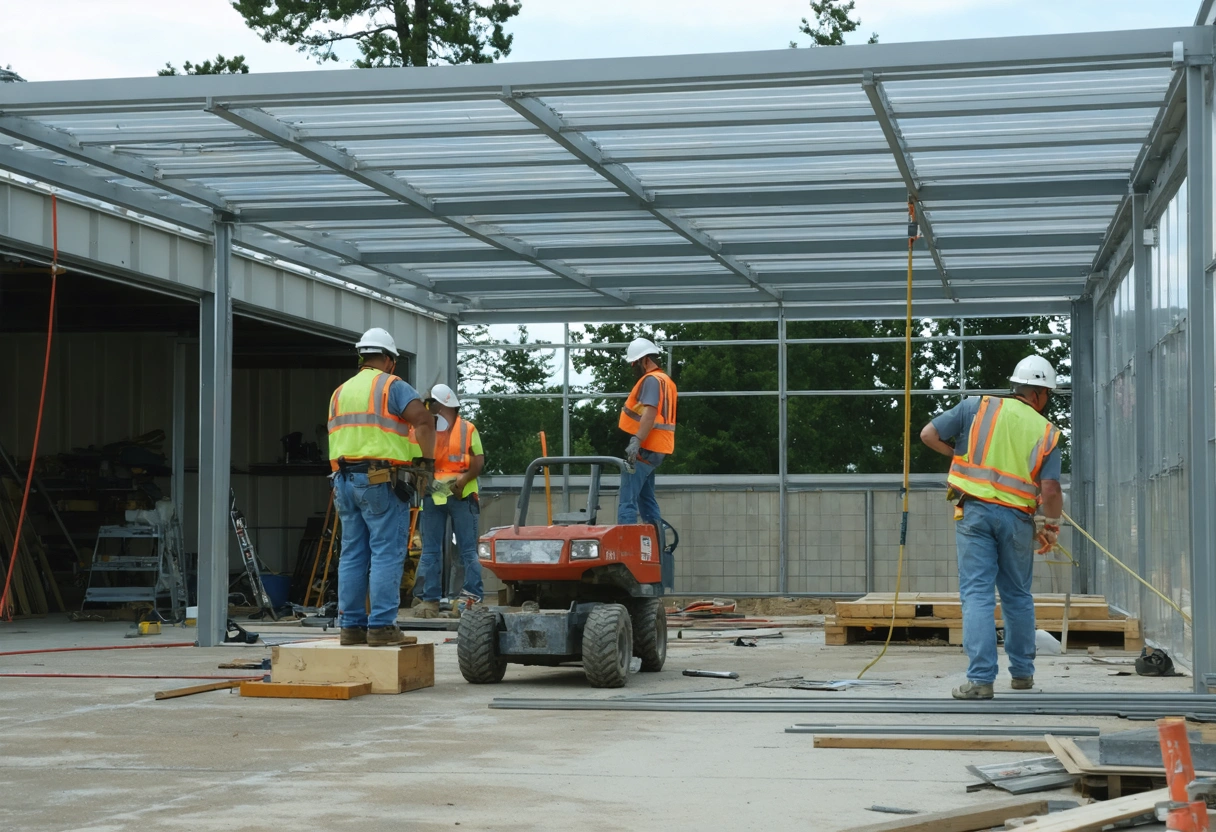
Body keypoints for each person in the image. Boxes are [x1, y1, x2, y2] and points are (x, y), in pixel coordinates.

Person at [920, 355, 1063, 700]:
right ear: (1039, 393)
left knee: (977, 594)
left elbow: (928, 434)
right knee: (1017, 595)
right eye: (1048, 394)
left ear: (1017, 386)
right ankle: (1022, 674)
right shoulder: (1047, 432)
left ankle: (981, 680)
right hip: (1017, 520)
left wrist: (958, 456)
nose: (1047, 401)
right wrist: (1051, 525)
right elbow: (1050, 489)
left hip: (975, 514)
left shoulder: (976, 407)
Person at [327, 327, 435, 647]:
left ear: (362, 357)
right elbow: (424, 420)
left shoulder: (340, 392)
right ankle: (382, 627)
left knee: (352, 554)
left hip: (343, 480)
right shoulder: (391, 385)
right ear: (389, 360)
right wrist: (427, 464)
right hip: (379, 481)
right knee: (386, 553)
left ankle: (351, 627)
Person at [414, 384, 486, 618]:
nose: (427, 409)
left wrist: (462, 481)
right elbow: (415, 461)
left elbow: (478, 462)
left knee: (465, 551)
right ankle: (431, 601)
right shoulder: (426, 430)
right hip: (435, 496)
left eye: (430, 404)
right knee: (434, 551)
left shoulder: (467, 429)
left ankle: (465, 600)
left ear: (442, 405)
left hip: (460, 495)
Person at [617, 337, 677, 579]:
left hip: (646, 448)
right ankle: (657, 550)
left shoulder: (652, 380)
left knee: (627, 502)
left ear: (643, 360)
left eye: (635, 364)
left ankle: (626, 556)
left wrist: (636, 441)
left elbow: (650, 413)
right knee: (646, 500)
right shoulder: (666, 380)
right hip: (658, 449)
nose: (635, 369)